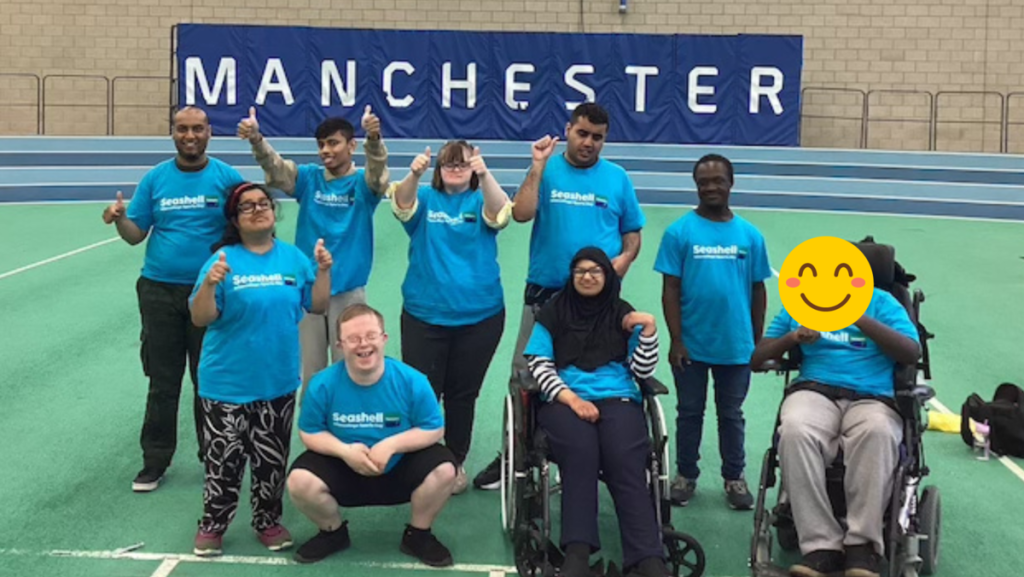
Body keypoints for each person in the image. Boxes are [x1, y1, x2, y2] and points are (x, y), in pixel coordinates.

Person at [474, 101, 646, 490]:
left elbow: (632, 233)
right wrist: (536, 165)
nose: (588, 142)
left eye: (597, 137)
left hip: (598, 300)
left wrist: (625, 260)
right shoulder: (547, 168)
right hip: (545, 294)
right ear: (568, 130)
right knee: (525, 374)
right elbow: (521, 214)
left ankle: (580, 446)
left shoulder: (617, 178)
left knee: (591, 371)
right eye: (582, 133)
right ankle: (515, 455)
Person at [101, 106, 244, 493]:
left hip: (209, 293)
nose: (190, 135)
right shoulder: (156, 179)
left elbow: (247, 227)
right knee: (163, 382)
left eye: (197, 128)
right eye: (183, 129)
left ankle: (214, 456)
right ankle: (155, 461)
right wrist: (118, 219)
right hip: (159, 292)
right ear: (173, 134)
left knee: (209, 379)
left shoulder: (227, 179)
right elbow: (136, 235)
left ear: (209, 133)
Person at [189, 182, 332, 556]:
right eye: (247, 206)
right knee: (224, 462)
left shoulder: (293, 258)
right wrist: (209, 284)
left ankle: (267, 521)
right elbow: (201, 316)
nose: (257, 210)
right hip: (226, 384)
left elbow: (316, 306)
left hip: (278, 382)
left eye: (264, 203)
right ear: (235, 220)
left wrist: (323, 271)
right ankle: (213, 525)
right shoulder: (221, 260)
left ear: (274, 212)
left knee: (271, 462)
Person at [749, 288, 921, 577]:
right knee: (794, 429)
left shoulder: (883, 302)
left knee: (878, 432)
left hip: (872, 395)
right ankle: (820, 547)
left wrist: (859, 318)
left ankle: (862, 547)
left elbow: (911, 352)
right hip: (815, 389)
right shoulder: (803, 302)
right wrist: (793, 338)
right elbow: (757, 358)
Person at [523, 247, 667, 577]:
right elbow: (540, 367)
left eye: (596, 271)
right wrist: (573, 400)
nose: (587, 276)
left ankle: (648, 558)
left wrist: (648, 330)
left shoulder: (622, 312)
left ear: (608, 276)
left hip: (618, 398)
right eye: (580, 271)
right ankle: (577, 553)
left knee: (626, 460)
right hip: (564, 400)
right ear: (572, 277)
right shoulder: (553, 312)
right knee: (580, 453)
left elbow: (642, 369)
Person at [286, 304, 457, 567]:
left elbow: (433, 428)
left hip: (399, 468)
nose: (363, 345)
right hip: (345, 468)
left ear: (384, 338)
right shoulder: (322, 384)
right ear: (340, 344)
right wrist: (346, 451)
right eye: (353, 338)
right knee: (299, 481)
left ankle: (418, 535)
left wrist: (391, 445)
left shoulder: (412, 380)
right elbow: (309, 432)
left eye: (370, 336)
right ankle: (333, 533)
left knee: (445, 469)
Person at [238, 105, 389, 398]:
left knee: (351, 368)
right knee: (312, 372)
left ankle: (348, 430)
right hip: (308, 291)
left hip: (349, 293)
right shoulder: (308, 178)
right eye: (321, 144)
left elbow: (378, 173)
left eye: (333, 143)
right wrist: (257, 140)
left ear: (352, 145)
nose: (325, 150)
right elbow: (276, 169)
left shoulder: (364, 185)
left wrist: (374, 139)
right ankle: (315, 436)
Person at [388, 140, 512, 493]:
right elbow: (401, 204)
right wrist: (414, 173)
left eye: (463, 164)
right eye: (448, 164)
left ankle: (454, 461)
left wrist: (484, 172)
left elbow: (501, 213)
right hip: (424, 316)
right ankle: (422, 461)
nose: (456, 169)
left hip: (481, 318)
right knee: (424, 393)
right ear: (437, 170)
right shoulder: (425, 199)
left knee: (462, 395)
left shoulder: (480, 199)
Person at [653, 153, 771, 510]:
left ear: (731, 183)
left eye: (718, 180)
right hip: (690, 345)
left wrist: (756, 341)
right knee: (689, 412)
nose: (711, 187)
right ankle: (686, 476)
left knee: (731, 414)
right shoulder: (679, 232)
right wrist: (676, 339)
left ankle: (734, 478)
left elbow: (758, 290)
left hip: (735, 346)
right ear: (696, 186)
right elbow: (670, 288)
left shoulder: (750, 236)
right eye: (704, 182)